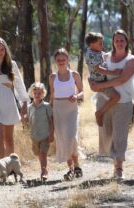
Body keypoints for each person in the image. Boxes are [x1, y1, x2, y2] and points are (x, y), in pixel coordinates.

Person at [89, 29, 134, 180]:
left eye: (122, 40)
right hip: (104, 99)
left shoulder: (131, 60)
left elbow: (122, 79)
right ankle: (101, 112)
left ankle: (119, 169)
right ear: (113, 42)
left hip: (123, 102)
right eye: (116, 40)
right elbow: (93, 69)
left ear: (126, 42)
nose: (119, 42)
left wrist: (100, 86)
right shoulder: (105, 56)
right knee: (107, 134)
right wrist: (92, 83)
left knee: (120, 136)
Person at [49, 48, 84, 181]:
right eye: (59, 60)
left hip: (72, 108)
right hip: (58, 109)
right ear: (55, 61)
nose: (61, 62)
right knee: (63, 140)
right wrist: (48, 111)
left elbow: (82, 91)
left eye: (63, 59)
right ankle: (71, 168)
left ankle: (77, 164)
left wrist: (76, 95)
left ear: (68, 60)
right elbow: (52, 95)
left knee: (72, 137)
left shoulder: (74, 75)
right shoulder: (52, 77)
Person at [85, 32, 122, 127]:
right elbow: (99, 69)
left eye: (102, 43)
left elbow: (105, 57)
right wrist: (113, 72)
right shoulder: (90, 54)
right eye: (100, 43)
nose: (102, 45)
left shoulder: (99, 52)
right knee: (116, 97)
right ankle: (100, 113)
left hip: (102, 80)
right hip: (100, 82)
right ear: (92, 45)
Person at [23, 82, 54, 181]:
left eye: (39, 93)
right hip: (34, 135)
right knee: (38, 153)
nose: (37, 95)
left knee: (43, 153)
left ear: (43, 94)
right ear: (32, 94)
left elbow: (51, 120)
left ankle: (44, 171)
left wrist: (51, 133)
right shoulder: (29, 107)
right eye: (35, 93)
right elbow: (27, 121)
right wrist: (24, 119)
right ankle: (43, 168)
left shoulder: (46, 106)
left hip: (45, 134)